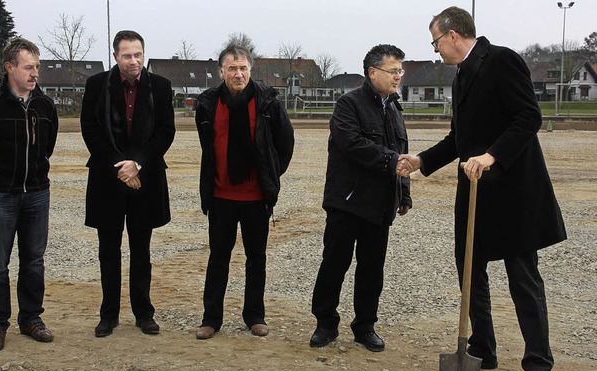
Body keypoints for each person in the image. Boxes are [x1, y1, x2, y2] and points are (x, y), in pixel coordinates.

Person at [397, 7, 566, 371]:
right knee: (470, 273)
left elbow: (528, 117)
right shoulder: (462, 78)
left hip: (513, 192)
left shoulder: (502, 61)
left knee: (524, 281)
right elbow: (460, 138)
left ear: (454, 35)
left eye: (436, 42)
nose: (436, 50)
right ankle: (483, 348)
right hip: (474, 195)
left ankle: (538, 365)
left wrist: (491, 156)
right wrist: (423, 161)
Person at [309, 44, 412, 352]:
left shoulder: (394, 108)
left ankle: (365, 326)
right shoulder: (348, 105)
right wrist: (390, 161)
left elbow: (401, 153)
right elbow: (351, 144)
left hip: (380, 206)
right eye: (393, 71)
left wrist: (403, 194)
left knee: (371, 269)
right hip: (347, 202)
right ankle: (325, 323)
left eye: (400, 72)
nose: (398, 78)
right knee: (334, 265)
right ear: (373, 73)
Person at [0, 37, 58, 351]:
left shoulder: (45, 106)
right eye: (28, 67)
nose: (35, 74)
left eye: (37, 67)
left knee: (33, 262)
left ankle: (31, 319)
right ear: (9, 68)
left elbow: (48, 145)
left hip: (36, 195)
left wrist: (36, 171)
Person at [194, 44, 294, 340]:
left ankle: (254, 315)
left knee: (256, 258)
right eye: (232, 69)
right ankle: (211, 319)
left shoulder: (268, 102)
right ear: (221, 72)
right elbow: (207, 147)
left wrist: (270, 176)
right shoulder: (208, 104)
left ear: (250, 70)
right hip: (221, 197)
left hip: (256, 198)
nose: (239, 74)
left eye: (244, 68)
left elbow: (284, 144)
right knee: (218, 259)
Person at [80, 30, 175, 338]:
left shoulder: (160, 86)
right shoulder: (97, 85)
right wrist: (120, 167)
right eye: (126, 55)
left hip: (144, 181)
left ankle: (144, 313)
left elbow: (165, 131)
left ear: (143, 54)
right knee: (108, 251)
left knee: (141, 250)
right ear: (115, 56)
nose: (133, 61)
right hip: (108, 180)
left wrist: (138, 164)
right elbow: (90, 129)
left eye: (138, 54)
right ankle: (108, 316)